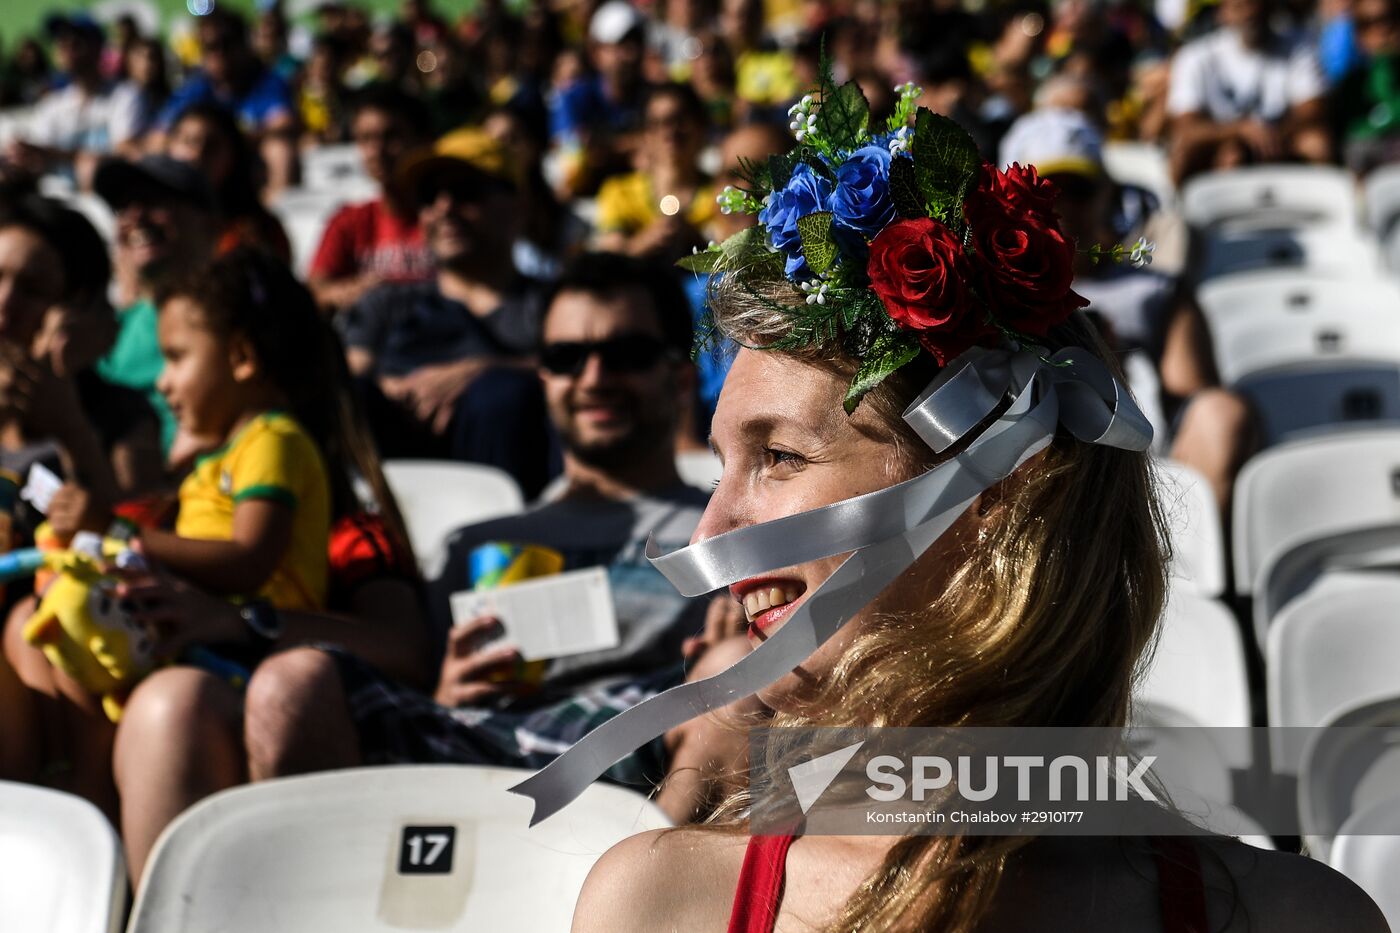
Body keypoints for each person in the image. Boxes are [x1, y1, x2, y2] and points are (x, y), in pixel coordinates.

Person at [567, 92, 1387, 933]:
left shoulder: (1293, 918)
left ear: (992, 491)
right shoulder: (663, 904)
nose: (710, 535)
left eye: (777, 457)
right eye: (721, 467)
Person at [242, 253, 750, 824]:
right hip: (477, 748)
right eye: (566, 357)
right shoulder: (473, 543)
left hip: (643, 751)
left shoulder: (729, 529)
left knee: (737, 674)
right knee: (291, 684)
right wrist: (448, 691)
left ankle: (636, 896)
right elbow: (424, 694)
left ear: (680, 377)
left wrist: (732, 651)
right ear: (544, 379)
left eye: (626, 355)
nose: (594, 378)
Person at [97, 249, 422, 882]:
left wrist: (242, 622)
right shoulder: (170, 509)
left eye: (177, 358)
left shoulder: (350, 534)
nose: (159, 384)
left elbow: (407, 654)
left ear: (243, 361)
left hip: (235, 710)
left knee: (174, 702)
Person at [1000, 107, 1253, 510]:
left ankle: (1192, 559)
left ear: (1106, 194)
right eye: (1046, 191)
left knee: (1221, 414)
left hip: (1148, 464)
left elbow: (1193, 398)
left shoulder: (1154, 291)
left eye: (1079, 190)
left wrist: (1112, 368)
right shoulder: (990, 296)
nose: (1063, 208)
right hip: (1036, 472)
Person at [337, 127, 553, 498]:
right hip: (394, 486)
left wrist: (483, 371)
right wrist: (392, 391)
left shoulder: (552, 306)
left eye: (466, 192)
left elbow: (585, 375)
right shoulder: (386, 304)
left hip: (516, 493)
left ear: (518, 205)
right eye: (428, 197)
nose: (444, 208)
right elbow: (345, 381)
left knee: (501, 396)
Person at [92, 154, 219, 457]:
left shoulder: (241, 320)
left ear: (209, 223)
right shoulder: (105, 331)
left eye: (153, 201)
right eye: (123, 207)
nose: (135, 216)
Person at [1166, 0, 1331, 183]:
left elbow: (1313, 108)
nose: (1249, 14)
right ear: (1221, 12)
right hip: (1218, 143)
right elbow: (1185, 127)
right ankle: (1178, 206)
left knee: (1316, 143)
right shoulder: (1194, 56)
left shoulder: (1299, 45)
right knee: (1190, 150)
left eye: (1255, 4)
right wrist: (1239, 131)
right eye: (1239, 6)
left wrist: (1267, 136)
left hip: (1281, 136)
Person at [308, 84, 435, 313]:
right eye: (366, 139)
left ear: (423, 141)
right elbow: (314, 291)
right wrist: (355, 291)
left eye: (391, 136)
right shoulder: (348, 222)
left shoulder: (449, 217)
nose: (377, 150)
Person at [154, 9, 297, 195]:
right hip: (203, 168)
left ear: (244, 45)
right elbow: (158, 136)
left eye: (226, 44)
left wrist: (231, 142)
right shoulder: (194, 88)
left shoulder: (266, 82)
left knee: (279, 149)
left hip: (251, 165)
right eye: (209, 47)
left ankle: (273, 214)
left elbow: (284, 121)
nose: (218, 53)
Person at [5, 15, 148, 188]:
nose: (65, 46)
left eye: (76, 40)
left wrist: (53, 154)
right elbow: (37, 154)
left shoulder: (125, 95)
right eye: (60, 40)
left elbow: (126, 154)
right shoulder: (51, 105)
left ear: (97, 47)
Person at [594, 82, 714, 261]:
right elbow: (608, 260)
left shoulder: (721, 195)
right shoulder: (618, 192)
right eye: (657, 123)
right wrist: (642, 243)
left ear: (701, 126)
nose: (670, 132)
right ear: (645, 136)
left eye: (680, 119)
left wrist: (696, 239)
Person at [165, 102, 292, 263]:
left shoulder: (255, 230)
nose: (198, 154)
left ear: (234, 155)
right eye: (188, 141)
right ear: (170, 147)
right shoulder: (154, 220)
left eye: (212, 145)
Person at [549, 0, 650, 198]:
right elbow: (571, 152)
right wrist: (633, 144)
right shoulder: (573, 97)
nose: (631, 54)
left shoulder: (655, 96)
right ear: (596, 52)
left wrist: (606, 148)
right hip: (587, 202)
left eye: (637, 43)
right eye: (621, 45)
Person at [1333, 0, 1400, 174]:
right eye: (1367, 23)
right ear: (1357, 35)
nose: (1382, 30)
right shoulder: (1351, 86)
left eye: (1390, 18)